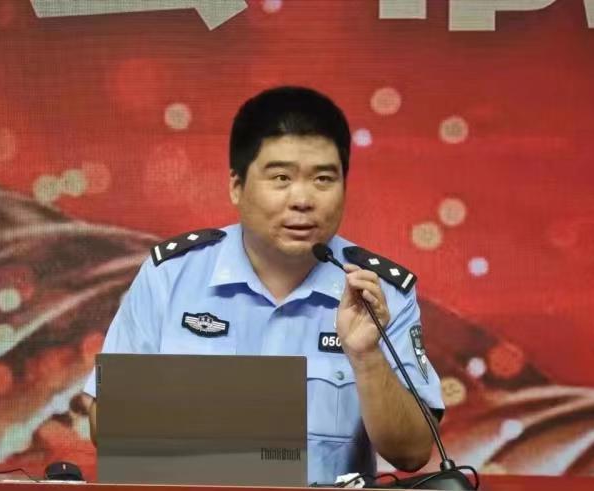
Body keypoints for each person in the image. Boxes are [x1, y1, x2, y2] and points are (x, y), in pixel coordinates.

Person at [83, 86, 444, 484]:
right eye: (281, 178)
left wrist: (367, 357)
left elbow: (413, 453)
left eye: (323, 179)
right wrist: (244, 416)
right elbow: (105, 427)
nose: (303, 199)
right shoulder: (170, 276)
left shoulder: (378, 291)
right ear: (236, 186)